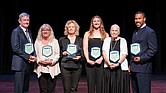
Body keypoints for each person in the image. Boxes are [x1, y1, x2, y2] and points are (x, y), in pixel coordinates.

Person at [130, 11, 158, 93]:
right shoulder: (135, 31)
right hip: (134, 68)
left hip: (143, 69)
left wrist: (141, 58)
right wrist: (130, 64)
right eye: (135, 18)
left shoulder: (150, 32)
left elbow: (153, 49)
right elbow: (133, 49)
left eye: (139, 18)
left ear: (144, 19)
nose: (137, 20)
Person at [11, 12, 36, 93]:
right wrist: (28, 57)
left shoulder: (29, 32)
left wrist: (33, 56)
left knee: (25, 89)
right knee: (19, 89)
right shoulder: (16, 31)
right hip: (19, 64)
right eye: (24, 20)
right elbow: (16, 48)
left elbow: (31, 46)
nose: (26, 22)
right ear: (19, 21)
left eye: (28, 20)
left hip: (27, 64)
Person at [83, 15, 109, 93]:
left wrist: (101, 58)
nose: (96, 22)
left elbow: (106, 49)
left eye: (98, 21)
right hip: (90, 63)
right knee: (90, 85)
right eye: (94, 21)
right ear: (92, 23)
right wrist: (87, 59)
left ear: (101, 23)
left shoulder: (105, 34)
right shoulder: (87, 34)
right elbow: (85, 48)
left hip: (100, 63)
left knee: (100, 85)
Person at [102, 24, 130, 93]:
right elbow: (104, 52)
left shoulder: (123, 40)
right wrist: (109, 63)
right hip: (109, 68)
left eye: (116, 30)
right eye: (112, 30)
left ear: (119, 32)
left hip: (120, 69)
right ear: (110, 32)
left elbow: (124, 54)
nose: (114, 32)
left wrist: (117, 64)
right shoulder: (106, 40)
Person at [34, 23, 61, 93]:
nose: (45, 32)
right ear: (41, 32)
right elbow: (35, 54)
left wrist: (52, 61)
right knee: (43, 90)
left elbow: (57, 54)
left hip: (52, 68)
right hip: (41, 67)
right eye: (43, 30)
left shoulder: (55, 41)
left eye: (47, 30)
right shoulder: (37, 42)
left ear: (50, 32)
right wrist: (40, 61)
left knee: (51, 90)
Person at [59, 20, 84, 93]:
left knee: (74, 89)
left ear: (76, 28)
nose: (71, 28)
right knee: (67, 89)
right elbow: (57, 53)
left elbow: (83, 53)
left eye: (73, 27)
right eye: (69, 27)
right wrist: (62, 53)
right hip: (65, 66)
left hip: (77, 66)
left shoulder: (80, 40)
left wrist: (80, 57)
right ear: (66, 28)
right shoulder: (62, 40)